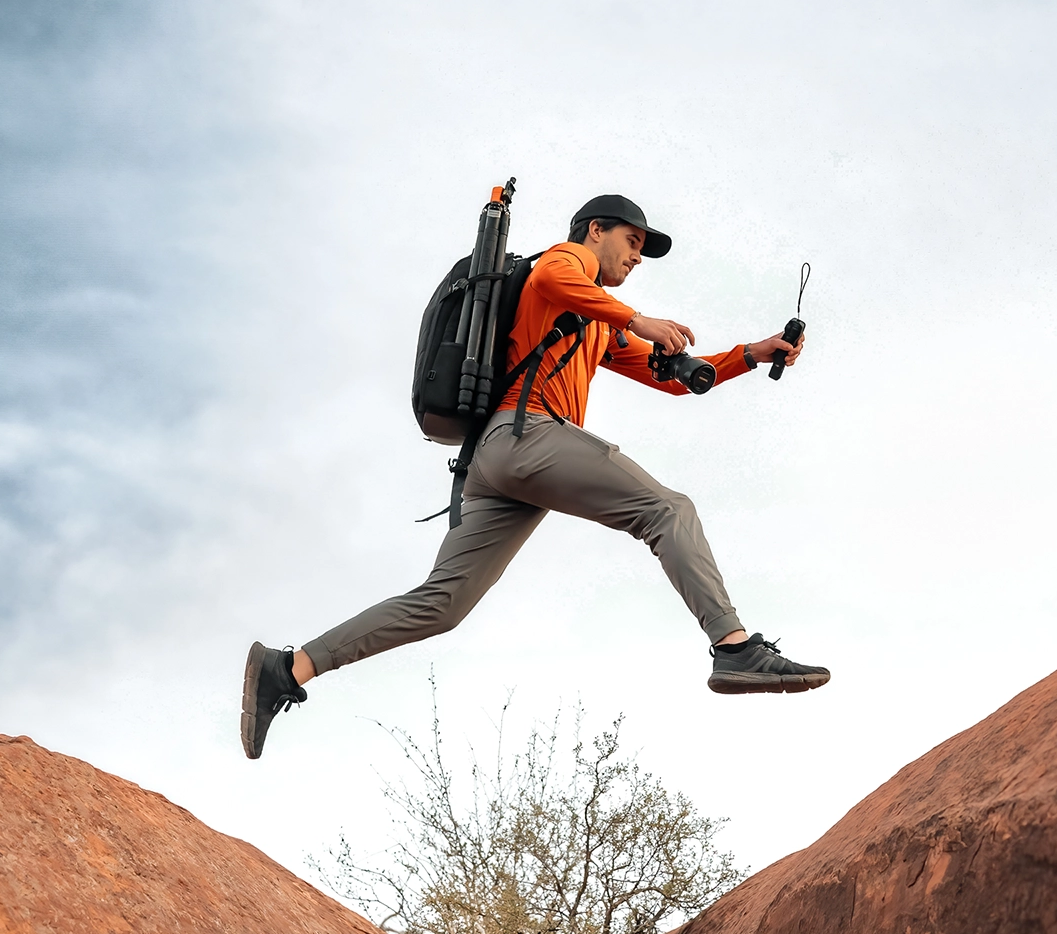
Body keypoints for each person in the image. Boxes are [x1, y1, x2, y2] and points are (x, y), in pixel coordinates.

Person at [241, 194, 829, 759]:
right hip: (527, 436)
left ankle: (289, 667)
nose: (635, 256)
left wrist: (753, 353)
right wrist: (641, 319)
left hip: (499, 464)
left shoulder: (595, 322)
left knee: (441, 604)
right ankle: (733, 647)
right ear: (596, 230)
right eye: (631, 241)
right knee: (668, 510)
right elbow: (552, 278)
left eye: (642, 250)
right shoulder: (567, 262)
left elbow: (670, 380)